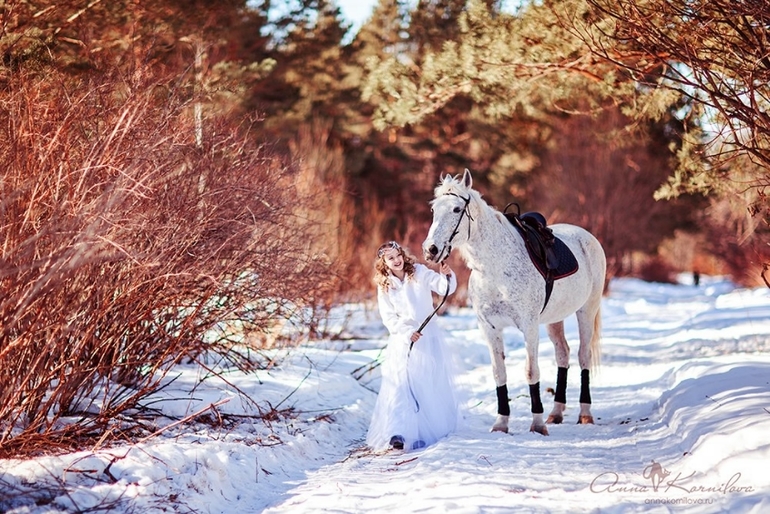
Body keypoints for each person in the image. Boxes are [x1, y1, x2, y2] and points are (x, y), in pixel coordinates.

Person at [366, 240, 460, 452]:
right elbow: (388, 317)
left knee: (424, 383)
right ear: (384, 263)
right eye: (390, 258)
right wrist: (406, 332)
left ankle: (421, 432)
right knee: (402, 384)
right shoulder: (385, 285)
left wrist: (446, 275)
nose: (396, 260)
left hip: (427, 337)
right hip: (403, 338)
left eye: (398, 255)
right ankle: (397, 431)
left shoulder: (419, 272)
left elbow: (445, 289)